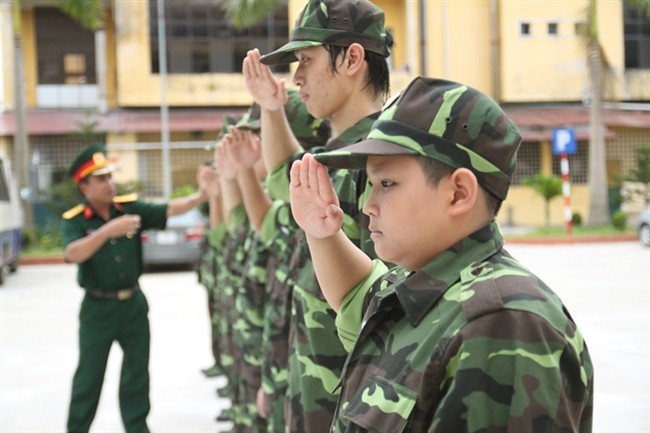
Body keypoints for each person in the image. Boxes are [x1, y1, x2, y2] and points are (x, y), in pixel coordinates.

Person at [289, 77, 594, 432]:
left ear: (458, 193)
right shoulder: (425, 284)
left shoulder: (501, 325)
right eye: (371, 185)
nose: (369, 205)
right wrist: (323, 233)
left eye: (386, 184)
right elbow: (357, 294)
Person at [242, 0, 393, 430]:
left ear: (351, 58)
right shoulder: (340, 156)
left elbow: (395, 305)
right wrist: (272, 108)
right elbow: (281, 179)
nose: (297, 77)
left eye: (307, 59)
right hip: (316, 398)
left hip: (354, 405)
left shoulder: (385, 161)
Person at [61, 144, 216, 433]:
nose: (110, 183)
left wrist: (201, 195)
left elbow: (169, 209)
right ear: (84, 186)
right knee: (89, 375)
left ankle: (137, 427)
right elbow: (72, 253)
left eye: (110, 176)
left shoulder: (129, 208)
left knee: (136, 374)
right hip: (98, 309)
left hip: (132, 304)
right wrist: (107, 231)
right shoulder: (76, 220)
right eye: (101, 179)